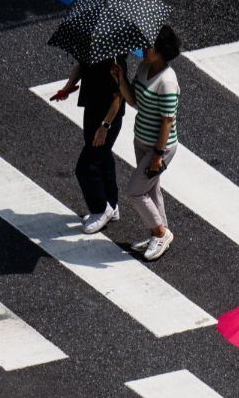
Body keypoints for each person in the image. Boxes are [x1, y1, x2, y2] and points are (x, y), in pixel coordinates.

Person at [112, 25, 182, 261]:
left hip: (159, 148)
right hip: (140, 140)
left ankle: (161, 232)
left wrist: (158, 154)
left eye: (148, 46)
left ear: (161, 51)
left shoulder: (168, 81)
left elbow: (167, 121)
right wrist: (121, 78)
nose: (143, 49)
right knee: (151, 188)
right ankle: (158, 234)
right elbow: (134, 102)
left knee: (135, 192)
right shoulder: (144, 68)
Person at [50, 56, 127, 234]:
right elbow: (82, 65)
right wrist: (68, 87)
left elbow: (119, 95)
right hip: (92, 108)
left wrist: (105, 126)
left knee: (85, 167)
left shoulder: (116, 60)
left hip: (108, 118)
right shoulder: (96, 50)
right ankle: (112, 205)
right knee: (103, 158)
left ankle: (101, 208)